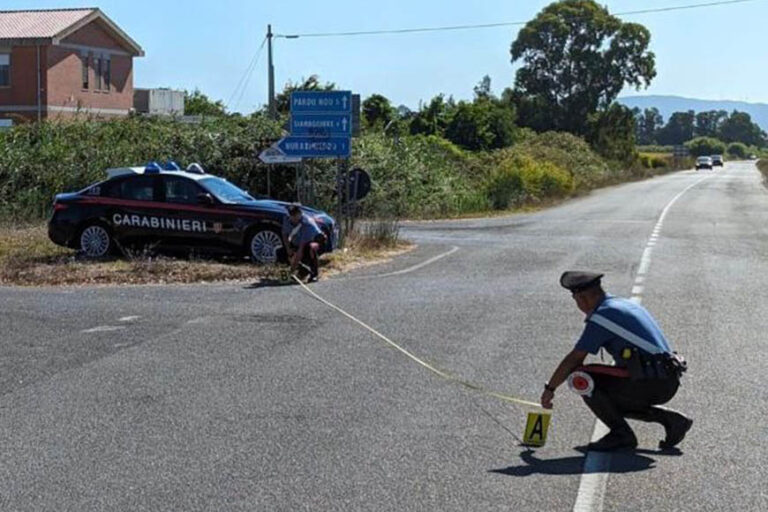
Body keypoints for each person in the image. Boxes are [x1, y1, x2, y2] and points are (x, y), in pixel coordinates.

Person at [540, 271, 693, 452]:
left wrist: (550, 389)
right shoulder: (621, 304)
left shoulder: (603, 316)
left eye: (576, 299)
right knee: (608, 395)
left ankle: (621, 434)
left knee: (581, 378)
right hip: (665, 379)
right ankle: (671, 420)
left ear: (583, 298)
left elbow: (574, 359)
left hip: (652, 382)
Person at [282, 203, 326, 282]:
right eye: (292, 215)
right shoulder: (286, 219)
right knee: (280, 252)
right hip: (297, 241)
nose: (293, 217)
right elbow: (285, 234)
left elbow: (300, 250)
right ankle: (302, 271)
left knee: (311, 249)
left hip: (315, 240)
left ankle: (314, 274)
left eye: (296, 215)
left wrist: (291, 270)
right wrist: (288, 249)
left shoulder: (306, 223)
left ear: (300, 213)